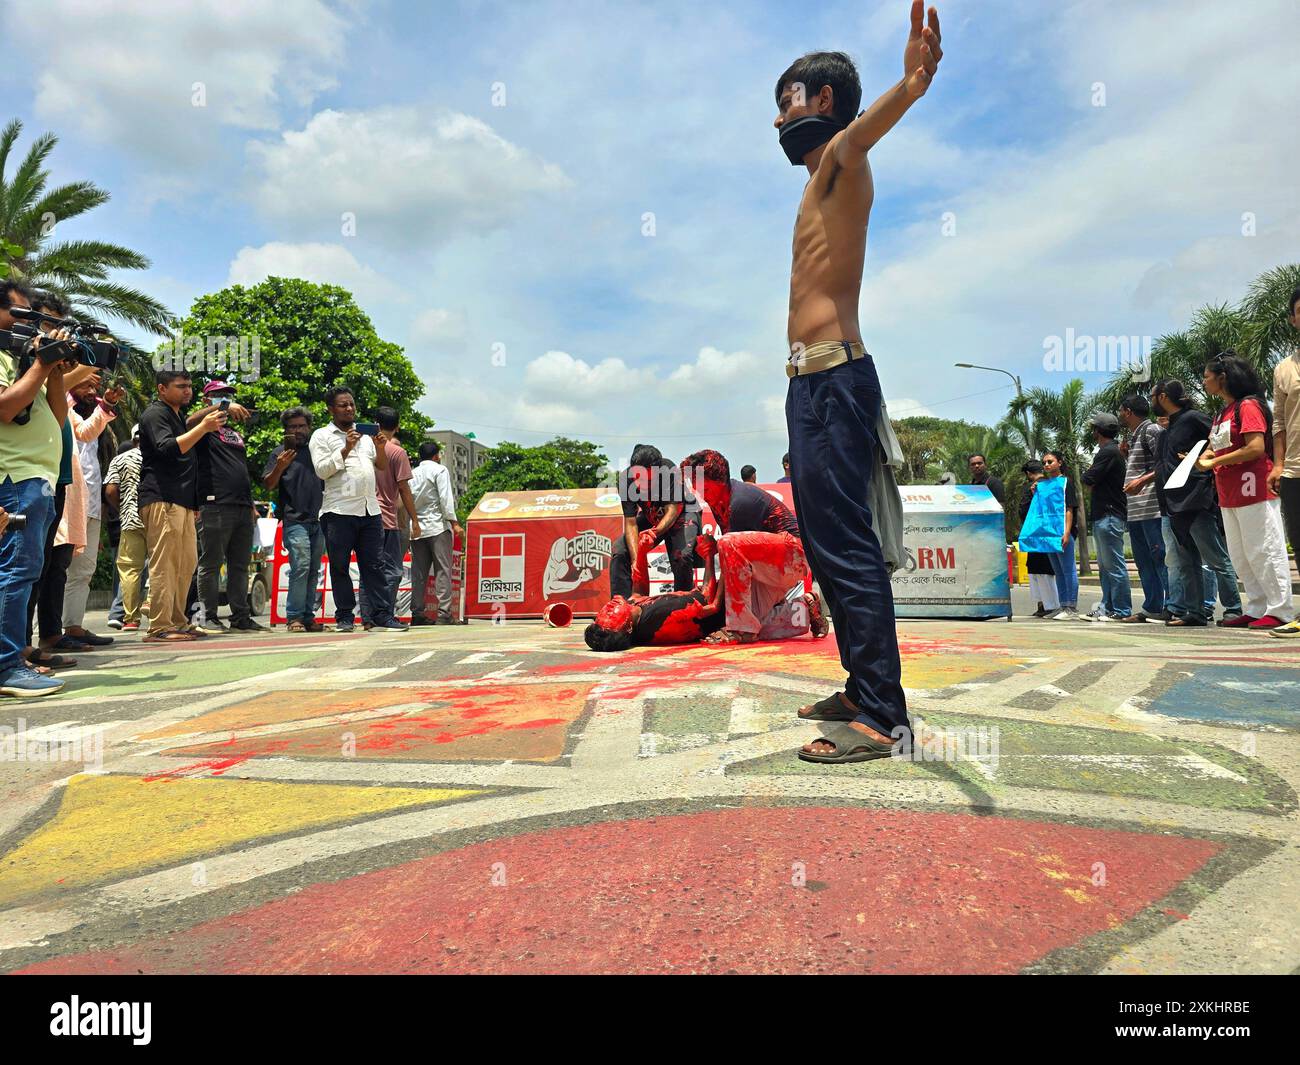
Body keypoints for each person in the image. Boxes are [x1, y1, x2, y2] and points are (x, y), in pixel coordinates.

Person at [773, 11, 941, 762]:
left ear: (827, 103)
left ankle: (883, 714)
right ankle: (859, 680)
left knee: (849, 546)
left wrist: (910, 86)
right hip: (806, 387)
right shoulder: (813, 188)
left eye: (789, 100)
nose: (778, 117)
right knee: (822, 539)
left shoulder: (844, 159)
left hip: (839, 378)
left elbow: (866, 131)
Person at [678, 449, 827, 643]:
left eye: (705, 489)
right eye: (698, 489)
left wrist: (715, 604)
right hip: (772, 562)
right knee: (754, 622)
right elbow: (732, 561)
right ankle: (805, 610)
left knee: (739, 618)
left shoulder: (740, 502)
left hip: (794, 555)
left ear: (720, 482)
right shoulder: (719, 502)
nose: (701, 495)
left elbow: (730, 550)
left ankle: (741, 629)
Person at [0, 279, 69, 696]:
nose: (30, 325)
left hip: (35, 477)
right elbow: (7, 409)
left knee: (23, 572)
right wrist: (42, 363)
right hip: (14, 476)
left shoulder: (21, 361)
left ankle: (13, 658)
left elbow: (58, 417)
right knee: (14, 572)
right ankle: (7, 666)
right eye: (21, 315)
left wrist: (55, 370)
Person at [1197, 354, 1293, 629]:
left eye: (1207, 376)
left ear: (1223, 377)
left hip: (1254, 489)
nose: (1204, 382)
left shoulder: (1248, 406)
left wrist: (1214, 461)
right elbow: (1216, 446)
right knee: (1241, 554)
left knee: (1264, 548)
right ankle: (1257, 606)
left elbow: (1255, 448)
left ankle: (1281, 609)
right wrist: (1205, 455)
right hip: (1229, 494)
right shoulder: (1221, 413)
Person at [138, 369, 227, 642]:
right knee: (165, 564)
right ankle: (159, 626)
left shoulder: (175, 416)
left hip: (183, 502)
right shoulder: (155, 414)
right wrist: (203, 428)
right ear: (162, 389)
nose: (187, 390)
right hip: (162, 497)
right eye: (180, 386)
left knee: (185, 564)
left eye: (189, 386)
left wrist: (194, 503)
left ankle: (177, 620)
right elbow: (168, 449)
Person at [309, 387, 406, 632]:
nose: (349, 409)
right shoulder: (321, 436)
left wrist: (381, 446)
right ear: (331, 409)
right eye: (343, 405)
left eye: (351, 404)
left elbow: (382, 467)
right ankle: (345, 617)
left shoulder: (365, 436)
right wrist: (345, 449)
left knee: (374, 566)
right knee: (340, 567)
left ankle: (382, 615)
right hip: (338, 511)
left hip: (369, 510)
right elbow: (322, 471)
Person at [1150, 378, 1243, 628]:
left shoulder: (1193, 418)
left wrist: (1205, 460)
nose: (1151, 402)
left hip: (1195, 500)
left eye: (1152, 397)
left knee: (1215, 559)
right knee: (1187, 562)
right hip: (1174, 505)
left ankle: (1233, 609)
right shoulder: (1168, 430)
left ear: (1163, 397)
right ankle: (1195, 612)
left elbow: (1219, 438)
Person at [187, 379, 263, 633]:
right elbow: (186, 423)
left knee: (240, 565)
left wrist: (251, 504)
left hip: (241, 506)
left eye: (227, 396)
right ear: (206, 401)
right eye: (218, 395)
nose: (224, 399)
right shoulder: (201, 428)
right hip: (214, 503)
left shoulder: (235, 434)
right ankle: (206, 617)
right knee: (210, 563)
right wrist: (223, 408)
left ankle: (240, 616)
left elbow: (240, 470)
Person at [56, 374, 123, 649]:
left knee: (84, 570)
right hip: (66, 500)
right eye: (85, 384)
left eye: (94, 386)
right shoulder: (60, 409)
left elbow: (89, 436)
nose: (91, 390)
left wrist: (106, 402)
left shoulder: (92, 421)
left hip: (91, 504)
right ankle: (49, 630)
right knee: (56, 567)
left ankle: (73, 626)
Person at [263, 406, 326, 633]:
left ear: (309, 427)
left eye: (301, 426)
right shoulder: (279, 453)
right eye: (292, 427)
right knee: (301, 567)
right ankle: (294, 617)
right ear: (285, 430)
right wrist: (280, 466)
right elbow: (268, 484)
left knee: (313, 569)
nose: (297, 430)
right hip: (293, 520)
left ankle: (308, 616)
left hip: (318, 520)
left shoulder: (318, 452)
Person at [611, 444, 700, 599]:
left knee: (681, 555)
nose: (642, 484)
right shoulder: (625, 480)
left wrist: (654, 533)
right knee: (620, 549)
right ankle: (622, 605)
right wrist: (636, 560)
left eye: (648, 479)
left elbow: (672, 510)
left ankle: (683, 602)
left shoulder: (670, 470)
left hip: (681, 513)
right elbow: (631, 522)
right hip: (652, 516)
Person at [358, 407, 420, 628]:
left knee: (368, 570)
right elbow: (404, 489)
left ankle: (367, 618)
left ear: (375, 423)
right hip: (387, 518)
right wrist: (415, 520)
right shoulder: (397, 453)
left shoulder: (362, 448)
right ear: (398, 426)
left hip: (363, 516)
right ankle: (384, 614)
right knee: (392, 570)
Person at [585, 557, 727, 651]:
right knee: (729, 545)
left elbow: (638, 592)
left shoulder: (630, 611)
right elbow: (710, 601)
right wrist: (710, 554)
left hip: (715, 596)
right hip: (726, 603)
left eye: (600, 616)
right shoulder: (663, 613)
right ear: (627, 628)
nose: (607, 610)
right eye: (610, 617)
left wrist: (642, 550)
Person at [1268, 287, 1300, 638]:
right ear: (1293, 319)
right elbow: (1278, 422)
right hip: (1294, 468)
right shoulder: (1284, 369)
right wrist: (1278, 465)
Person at [1118, 394, 1167, 623]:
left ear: (1128, 411)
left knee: (1159, 557)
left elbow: (1165, 464)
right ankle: (1152, 606)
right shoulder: (1135, 436)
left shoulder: (1151, 430)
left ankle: (1171, 605)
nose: (1120, 414)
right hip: (1136, 509)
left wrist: (1142, 481)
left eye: (1121, 410)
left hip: (1152, 506)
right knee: (1143, 561)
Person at [1081, 412, 1131, 621]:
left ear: (1098, 431)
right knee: (1104, 566)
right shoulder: (1109, 451)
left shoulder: (1108, 452)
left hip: (1109, 514)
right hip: (1105, 514)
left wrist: (1090, 473)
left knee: (1113, 564)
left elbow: (1088, 478)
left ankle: (1120, 609)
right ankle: (1107, 606)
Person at [408, 441, 462, 625]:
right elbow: (446, 498)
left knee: (419, 572)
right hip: (437, 526)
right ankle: (444, 613)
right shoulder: (440, 470)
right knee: (442, 570)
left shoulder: (412, 473)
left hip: (416, 528)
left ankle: (417, 613)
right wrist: (454, 523)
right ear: (436, 456)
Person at [104, 425, 147, 632]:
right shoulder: (160, 456)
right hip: (157, 516)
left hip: (130, 519)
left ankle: (131, 619)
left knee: (130, 569)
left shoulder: (119, 459)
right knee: (160, 565)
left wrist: (123, 507)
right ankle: (157, 613)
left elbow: (111, 490)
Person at [1041, 451, 1081, 620]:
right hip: (1049, 533)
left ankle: (1071, 606)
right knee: (1058, 571)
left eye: (1050, 461)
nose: (1046, 465)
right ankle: (1062, 604)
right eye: (1044, 462)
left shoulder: (1066, 483)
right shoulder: (1044, 484)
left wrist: (1066, 532)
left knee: (1068, 569)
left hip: (1063, 533)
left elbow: (1069, 509)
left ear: (1059, 462)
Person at [1018, 460, 1059, 617]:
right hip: (1045, 534)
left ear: (1028, 474)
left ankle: (1049, 605)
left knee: (1041, 570)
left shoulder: (1033, 488)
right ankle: (1045, 605)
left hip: (1037, 534)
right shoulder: (1051, 485)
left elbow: (1024, 511)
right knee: (1039, 568)